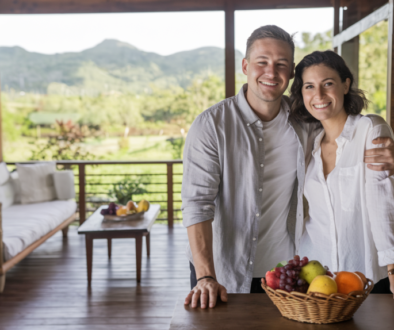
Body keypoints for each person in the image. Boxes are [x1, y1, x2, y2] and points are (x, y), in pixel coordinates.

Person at [181, 25, 394, 310]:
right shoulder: (211, 125)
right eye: (262, 62)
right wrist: (206, 274)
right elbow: (197, 203)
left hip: (286, 275)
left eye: (281, 64)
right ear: (245, 66)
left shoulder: (305, 123)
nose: (271, 72)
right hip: (221, 272)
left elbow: (350, 133)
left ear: (291, 71)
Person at [290, 50, 394, 295]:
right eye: (309, 86)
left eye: (328, 84)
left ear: (346, 85)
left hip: (366, 277)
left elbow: (383, 204)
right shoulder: (308, 145)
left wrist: (392, 268)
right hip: (317, 279)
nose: (319, 95)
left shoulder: (370, 129)